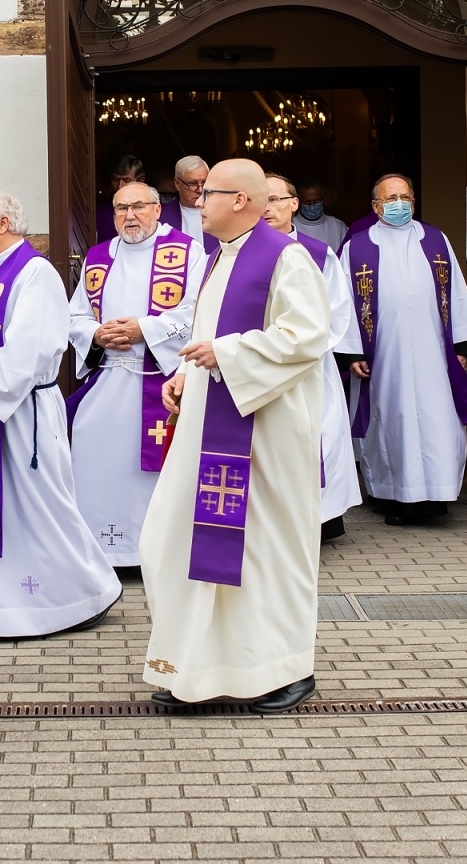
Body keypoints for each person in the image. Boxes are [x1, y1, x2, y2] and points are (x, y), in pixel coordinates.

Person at [140, 159, 329, 714]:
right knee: (177, 542)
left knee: (265, 553)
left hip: (265, 435)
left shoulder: (286, 258)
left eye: (209, 193)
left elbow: (306, 336)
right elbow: (208, 334)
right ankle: (197, 666)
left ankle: (286, 669)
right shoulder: (219, 257)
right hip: (209, 425)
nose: (198, 201)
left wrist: (225, 354)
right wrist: (185, 376)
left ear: (240, 201)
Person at [0, 190, 121, 638]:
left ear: (3, 224)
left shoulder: (36, 275)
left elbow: (38, 344)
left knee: (39, 508)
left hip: (22, 416)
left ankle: (81, 594)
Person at [67, 182, 203, 567]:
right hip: (108, 381)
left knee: (156, 475)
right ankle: (103, 550)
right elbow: (74, 315)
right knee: (96, 462)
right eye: (121, 208)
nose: (129, 215)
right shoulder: (98, 256)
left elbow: (198, 311)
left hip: (160, 383)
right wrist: (95, 333)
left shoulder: (188, 252)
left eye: (139, 206)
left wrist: (144, 329)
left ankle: (156, 553)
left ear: (158, 210)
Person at [343, 173, 467, 525]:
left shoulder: (435, 240)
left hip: (434, 356)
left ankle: (437, 496)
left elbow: (455, 294)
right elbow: (343, 303)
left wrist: (462, 347)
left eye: (405, 197)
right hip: (384, 359)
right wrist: (351, 354)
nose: (399, 205)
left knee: (438, 418)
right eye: (391, 199)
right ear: (376, 207)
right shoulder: (357, 246)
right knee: (393, 420)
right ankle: (397, 498)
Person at [262, 173, 362, 542]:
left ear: (294, 204)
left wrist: (299, 349)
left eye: (276, 199)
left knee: (322, 438)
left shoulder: (319, 254)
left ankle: (323, 522)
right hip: (258, 369)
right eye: (262, 199)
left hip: (309, 368)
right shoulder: (236, 251)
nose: (268, 207)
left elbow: (338, 311)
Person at [161, 156, 218, 253]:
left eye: (204, 182)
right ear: (177, 183)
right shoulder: (162, 218)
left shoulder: (221, 213)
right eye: (193, 183)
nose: (200, 190)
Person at [95, 155, 146, 241]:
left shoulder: (150, 210)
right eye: (115, 179)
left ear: (140, 181)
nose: (120, 186)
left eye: (126, 180)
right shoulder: (98, 212)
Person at [292, 182, 349, 249]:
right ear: (299, 202)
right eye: (307, 202)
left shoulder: (338, 227)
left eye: (316, 201)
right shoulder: (290, 226)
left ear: (322, 200)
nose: (312, 205)